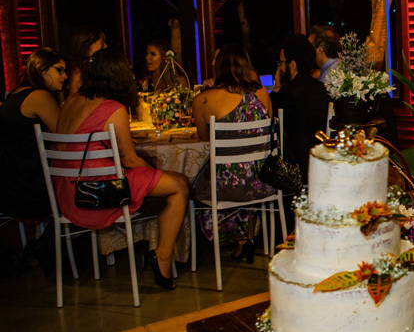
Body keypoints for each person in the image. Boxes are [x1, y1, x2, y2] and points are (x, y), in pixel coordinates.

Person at [55, 49, 190, 290]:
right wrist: (152, 171)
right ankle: (162, 258)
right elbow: (129, 159)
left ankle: (158, 253)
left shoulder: (71, 100)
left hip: (66, 192)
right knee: (179, 184)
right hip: (99, 193)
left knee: (167, 179)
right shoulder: (112, 107)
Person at [191, 44, 274, 263]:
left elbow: (203, 137)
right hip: (264, 180)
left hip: (225, 186)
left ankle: (233, 241)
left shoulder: (203, 100)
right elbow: (267, 129)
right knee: (243, 173)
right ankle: (244, 239)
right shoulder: (261, 92)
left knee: (195, 184)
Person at [0, 48, 67, 219]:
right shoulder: (39, 96)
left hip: (11, 183)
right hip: (31, 188)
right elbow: (66, 137)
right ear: (40, 68)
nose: (64, 77)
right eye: (59, 70)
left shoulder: (16, 94)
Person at [271, 34, 330, 182]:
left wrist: (277, 87)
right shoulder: (322, 89)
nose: (280, 67)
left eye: (281, 63)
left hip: (297, 170)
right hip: (323, 163)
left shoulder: (287, 94)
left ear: (292, 65)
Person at [65, 25, 107, 97]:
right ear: (91, 44)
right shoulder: (78, 72)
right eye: (103, 42)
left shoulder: (99, 67)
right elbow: (73, 100)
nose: (105, 46)